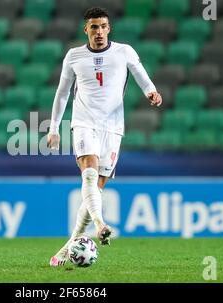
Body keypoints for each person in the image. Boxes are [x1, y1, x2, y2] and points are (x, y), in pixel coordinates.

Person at [47, 7, 162, 267]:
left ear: (109, 28)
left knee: (95, 189)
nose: (99, 32)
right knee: (88, 172)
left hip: (112, 127)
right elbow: (62, 92)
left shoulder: (124, 51)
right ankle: (100, 225)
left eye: (103, 26)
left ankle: (68, 247)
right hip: (84, 121)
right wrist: (54, 127)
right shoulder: (74, 56)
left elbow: (139, 72)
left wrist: (151, 91)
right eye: (94, 27)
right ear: (85, 30)